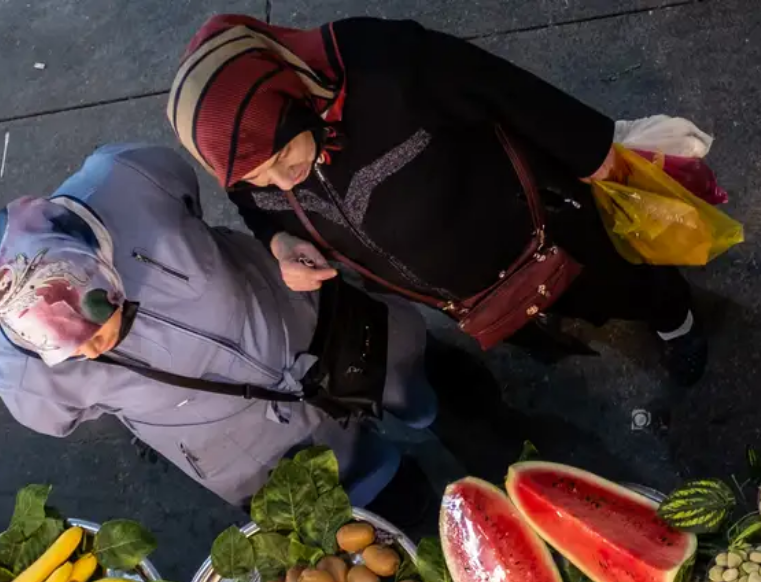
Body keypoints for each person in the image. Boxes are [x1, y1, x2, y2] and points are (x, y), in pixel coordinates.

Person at [166, 14, 707, 385]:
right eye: (261, 178)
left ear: (291, 101)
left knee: (614, 281)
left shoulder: (387, 64)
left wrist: (593, 153)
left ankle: (676, 319)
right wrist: (279, 241)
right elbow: (252, 204)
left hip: (535, 221)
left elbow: (506, 90)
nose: (284, 184)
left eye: (283, 160)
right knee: (551, 313)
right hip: (463, 294)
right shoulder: (246, 158)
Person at [0, 144, 437, 526]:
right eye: (74, 352)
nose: (97, 350)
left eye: (101, 315)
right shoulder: (23, 378)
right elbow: (60, 417)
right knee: (380, 500)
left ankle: (440, 404)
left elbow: (189, 188)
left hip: (323, 326)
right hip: (245, 449)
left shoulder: (127, 177)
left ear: (97, 259)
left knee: (425, 380)